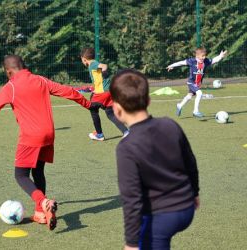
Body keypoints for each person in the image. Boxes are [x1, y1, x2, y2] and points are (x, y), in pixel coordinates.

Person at [0, 55, 100, 230]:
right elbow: (68, 91)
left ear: (9, 71)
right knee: (38, 172)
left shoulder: (11, 86)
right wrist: (88, 104)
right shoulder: (40, 80)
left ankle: (43, 201)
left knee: (21, 175)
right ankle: (41, 213)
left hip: (31, 136)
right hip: (49, 134)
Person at [109, 69, 200, 250]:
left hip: (162, 216)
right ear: (148, 101)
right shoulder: (170, 125)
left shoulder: (126, 147)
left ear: (116, 109)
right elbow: (190, 162)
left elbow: (131, 199)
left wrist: (131, 243)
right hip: (187, 207)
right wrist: (195, 192)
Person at [80, 47, 128, 141]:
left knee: (93, 109)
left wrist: (104, 69)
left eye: (81, 59)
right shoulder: (94, 65)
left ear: (84, 59)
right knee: (110, 113)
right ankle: (126, 131)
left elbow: (104, 66)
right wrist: (96, 88)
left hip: (102, 93)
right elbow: (99, 78)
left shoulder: (93, 64)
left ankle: (99, 134)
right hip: (108, 92)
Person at [167, 47, 227, 118]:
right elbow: (181, 63)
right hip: (191, 82)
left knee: (189, 96)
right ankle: (195, 111)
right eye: (202, 56)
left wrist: (220, 56)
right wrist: (171, 66)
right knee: (199, 93)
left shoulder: (205, 61)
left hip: (197, 84)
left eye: (205, 55)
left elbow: (214, 60)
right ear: (197, 56)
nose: (204, 57)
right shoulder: (192, 61)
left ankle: (179, 105)